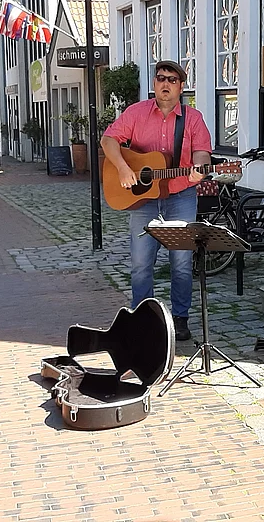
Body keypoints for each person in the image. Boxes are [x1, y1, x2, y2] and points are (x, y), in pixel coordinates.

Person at [101, 60, 212, 341]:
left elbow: (201, 152)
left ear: (181, 86)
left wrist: (200, 168)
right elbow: (108, 140)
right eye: (161, 78)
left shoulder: (193, 118)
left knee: (182, 262)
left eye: (172, 80)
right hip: (144, 201)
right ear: (154, 83)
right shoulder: (136, 113)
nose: (165, 84)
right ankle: (143, 320)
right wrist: (124, 168)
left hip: (180, 195)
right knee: (140, 263)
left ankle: (180, 319)